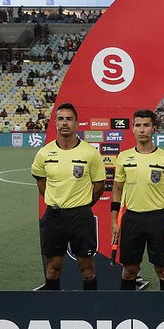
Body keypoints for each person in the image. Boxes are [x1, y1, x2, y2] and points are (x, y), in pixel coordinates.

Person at [31, 103, 105, 290]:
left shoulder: (90, 153)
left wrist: (82, 204)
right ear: (55, 123)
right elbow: (41, 183)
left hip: (80, 217)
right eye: (61, 119)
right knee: (53, 269)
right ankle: (53, 312)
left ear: (77, 123)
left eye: (69, 119)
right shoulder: (44, 153)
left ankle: (91, 310)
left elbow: (99, 186)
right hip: (54, 217)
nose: (65, 123)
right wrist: (56, 201)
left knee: (87, 270)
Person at [111, 109, 164, 291]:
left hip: (157, 220)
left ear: (154, 129)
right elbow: (117, 190)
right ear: (133, 129)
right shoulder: (124, 157)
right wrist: (114, 221)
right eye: (138, 125)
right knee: (129, 271)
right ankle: (126, 311)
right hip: (131, 219)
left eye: (146, 125)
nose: (142, 129)